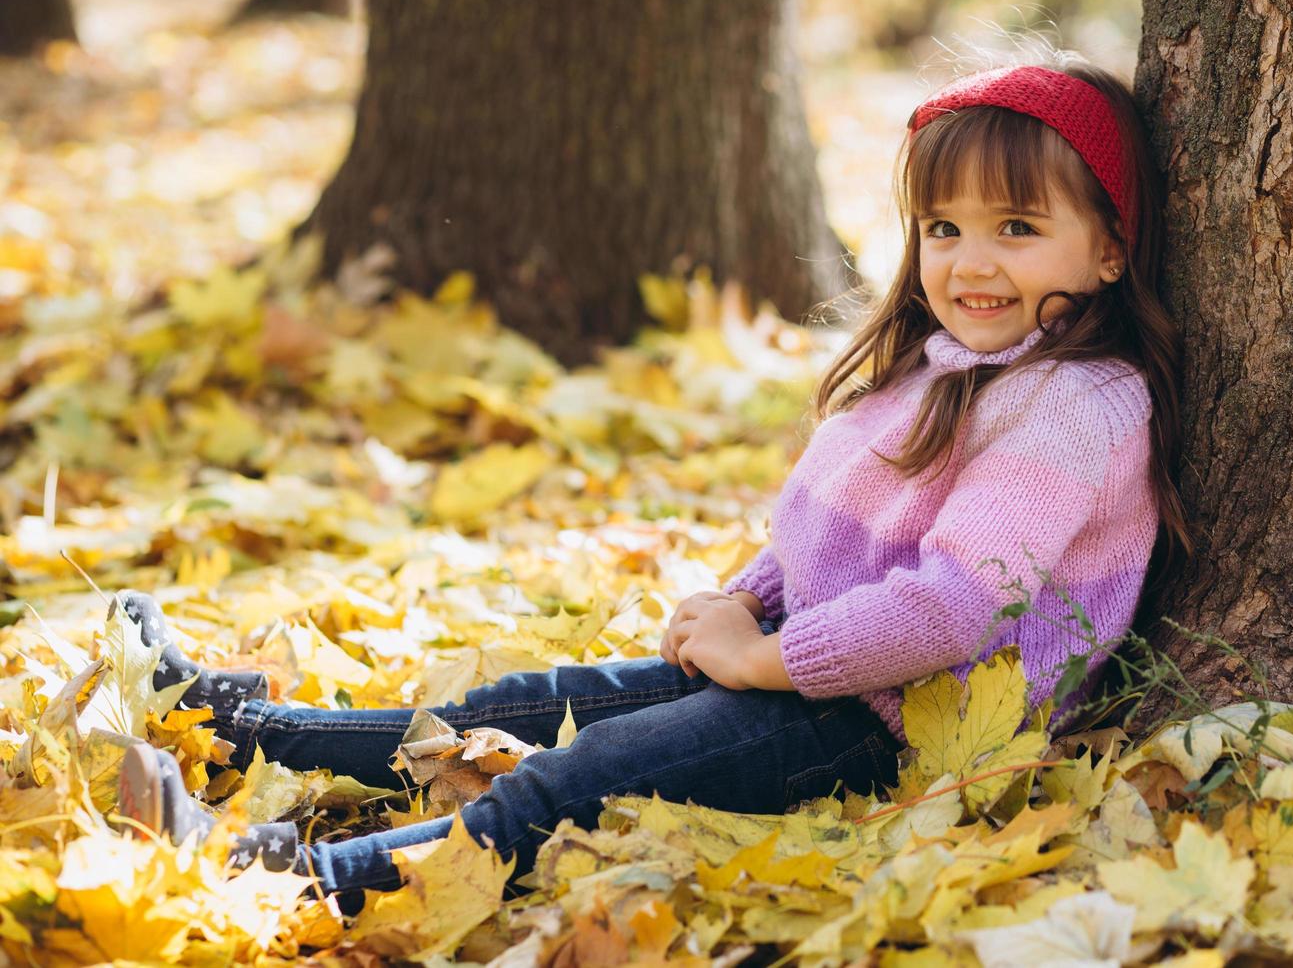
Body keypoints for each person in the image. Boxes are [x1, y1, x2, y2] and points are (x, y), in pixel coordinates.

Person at [116, 53, 1192, 899]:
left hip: (895, 727)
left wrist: (763, 658)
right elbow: (839, 531)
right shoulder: (957, 364)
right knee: (523, 706)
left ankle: (290, 877)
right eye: (944, 227)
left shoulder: (1075, 406)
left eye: (1017, 228)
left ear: (1108, 247)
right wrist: (746, 600)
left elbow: (952, 607)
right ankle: (229, 725)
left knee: (573, 777)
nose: (969, 262)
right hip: (821, 675)